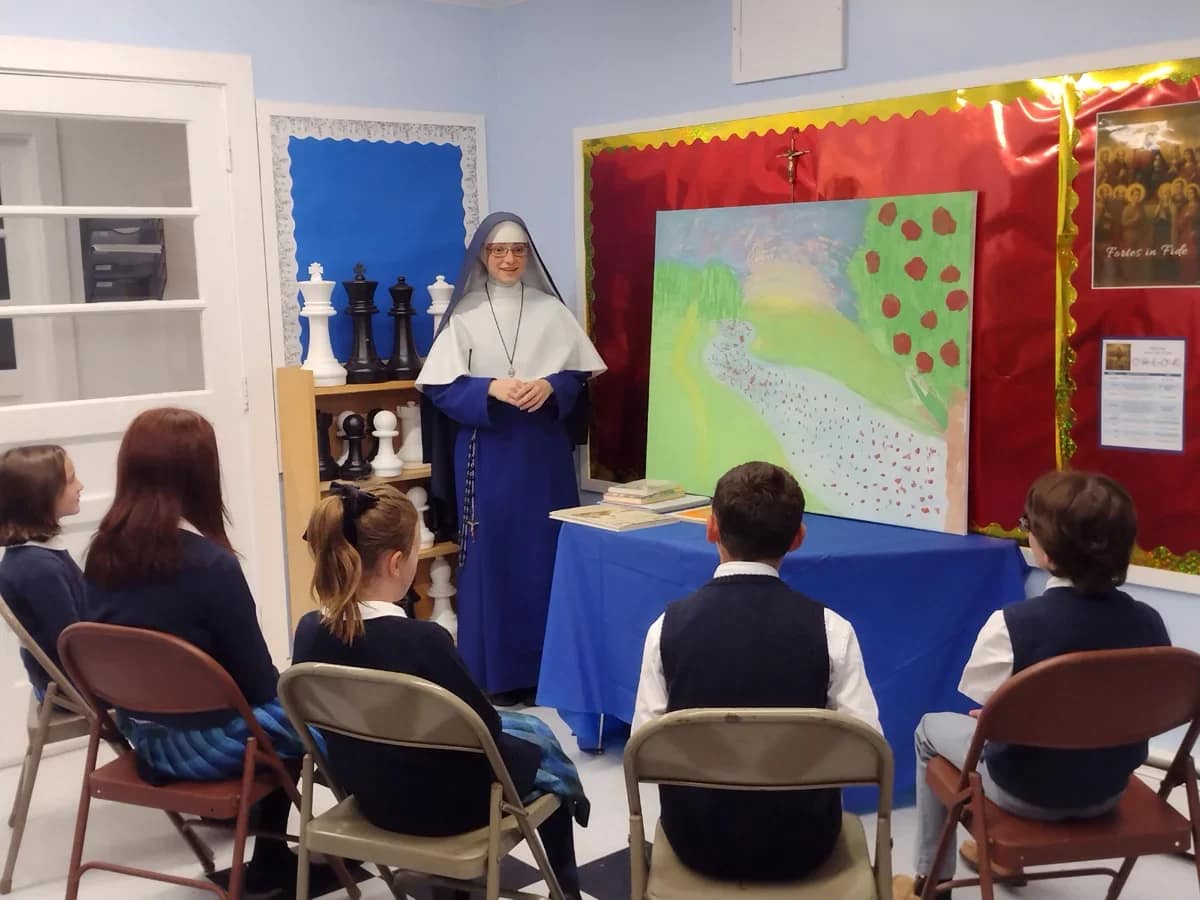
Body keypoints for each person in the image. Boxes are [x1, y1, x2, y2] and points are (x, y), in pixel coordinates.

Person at [291, 482, 588, 900]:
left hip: (369, 796)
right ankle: (566, 890)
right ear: (397, 563)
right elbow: (484, 728)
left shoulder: (308, 632)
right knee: (547, 756)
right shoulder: (423, 642)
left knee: (520, 740)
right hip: (449, 811)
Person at [893, 470, 1171, 900]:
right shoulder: (1150, 625)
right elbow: (1143, 706)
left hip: (1022, 791)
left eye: (1029, 525)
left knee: (928, 729)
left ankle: (930, 883)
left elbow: (986, 703)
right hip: (1108, 790)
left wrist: (1001, 718)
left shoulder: (1012, 625)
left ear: (1048, 553)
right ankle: (999, 861)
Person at [84, 408, 315, 895]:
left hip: (140, 737)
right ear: (201, 476)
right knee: (312, 713)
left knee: (273, 711)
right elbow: (258, 683)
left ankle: (265, 839)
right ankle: (276, 857)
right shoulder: (212, 566)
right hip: (204, 749)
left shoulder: (101, 553)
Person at [631, 461, 881, 881]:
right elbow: (867, 751)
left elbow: (644, 751)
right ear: (798, 538)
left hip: (696, 841)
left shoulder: (666, 628)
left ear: (711, 528)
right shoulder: (832, 630)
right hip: (805, 844)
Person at [417, 211, 606, 703]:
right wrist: (490, 388)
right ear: (483, 256)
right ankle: (497, 677)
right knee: (494, 562)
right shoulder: (465, 314)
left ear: (528, 255)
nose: (508, 259)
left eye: (518, 250)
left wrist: (551, 385)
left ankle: (549, 673)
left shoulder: (551, 309)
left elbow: (577, 377)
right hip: (489, 452)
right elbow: (440, 388)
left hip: (543, 456)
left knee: (546, 557)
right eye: (499, 250)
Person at [0, 445, 85, 699]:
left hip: (70, 679)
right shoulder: (36, 568)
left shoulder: (38, 555)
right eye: (71, 480)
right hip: (71, 689)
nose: (80, 486)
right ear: (42, 495)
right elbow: (73, 645)